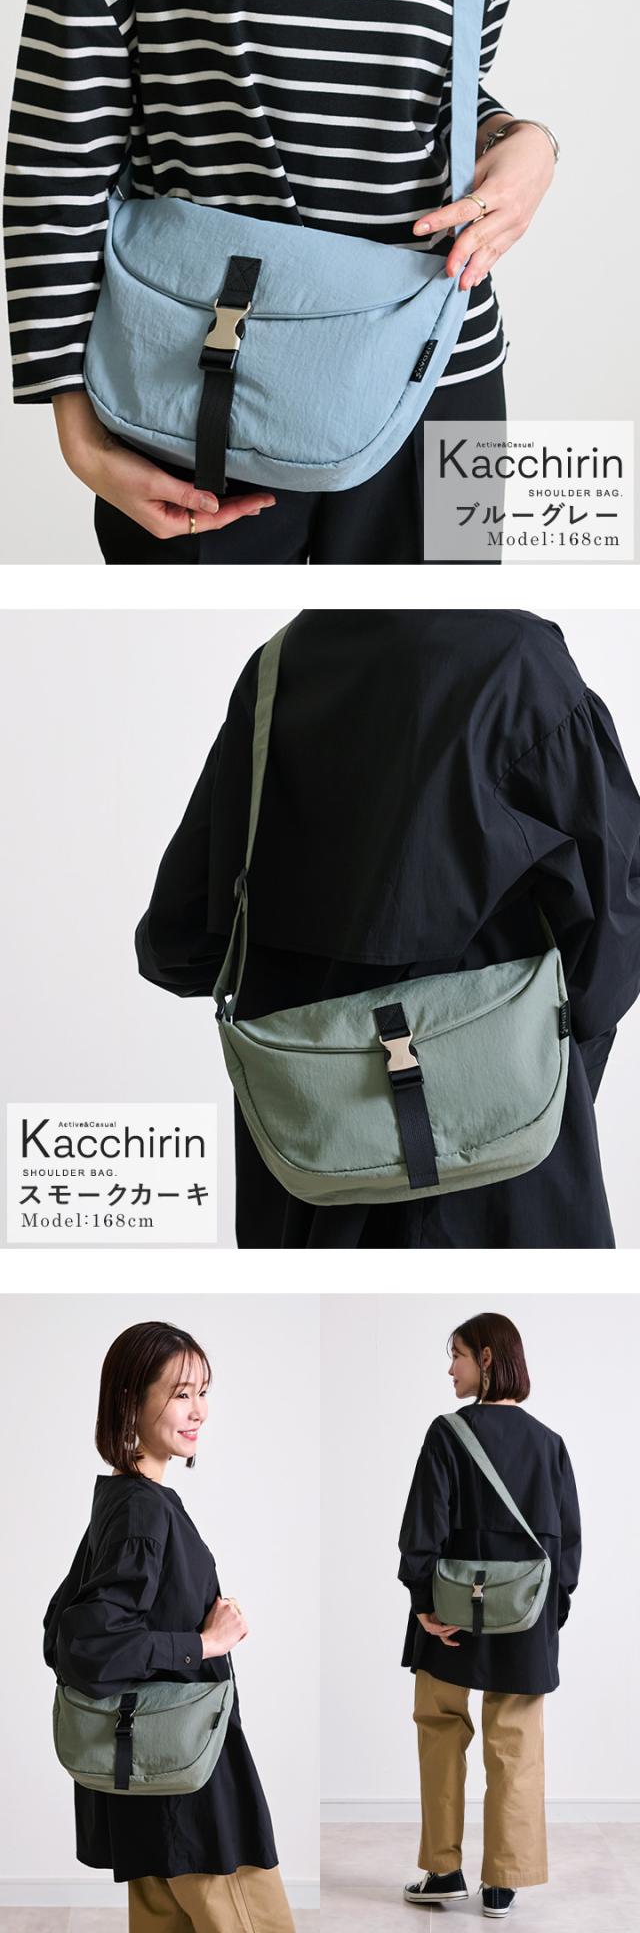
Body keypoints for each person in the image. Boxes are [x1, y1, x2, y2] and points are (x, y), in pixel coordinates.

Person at [5, 0, 558, 564]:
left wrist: (523, 140)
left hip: (441, 373)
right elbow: (58, 156)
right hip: (193, 372)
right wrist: (79, 432)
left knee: (460, 625)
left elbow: (435, 95)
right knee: (198, 630)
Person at [135, 609, 640, 1249]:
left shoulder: (278, 670)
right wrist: (548, 1058)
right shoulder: (517, 657)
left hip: (312, 1171)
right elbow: (617, 926)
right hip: (510, 1165)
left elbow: (177, 945)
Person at [43, 1319, 295, 1933]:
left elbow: (63, 1629)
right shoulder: (141, 1510)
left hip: (150, 1770)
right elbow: (87, 1645)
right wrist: (203, 1643)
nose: (199, 1410)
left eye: (203, 1392)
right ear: (132, 1400)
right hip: (185, 1777)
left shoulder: (126, 1499)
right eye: (181, 1393)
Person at [398, 1312, 581, 1919]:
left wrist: (423, 1604)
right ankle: (503, 1882)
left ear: (486, 1358)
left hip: (451, 1613)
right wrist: (548, 1613)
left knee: (439, 1731)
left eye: (456, 1355)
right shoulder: (549, 1444)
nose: (450, 1369)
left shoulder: (447, 1434)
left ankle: (443, 1871)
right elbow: (567, 1546)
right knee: (517, 1745)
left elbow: (421, 1527)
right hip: (527, 1615)